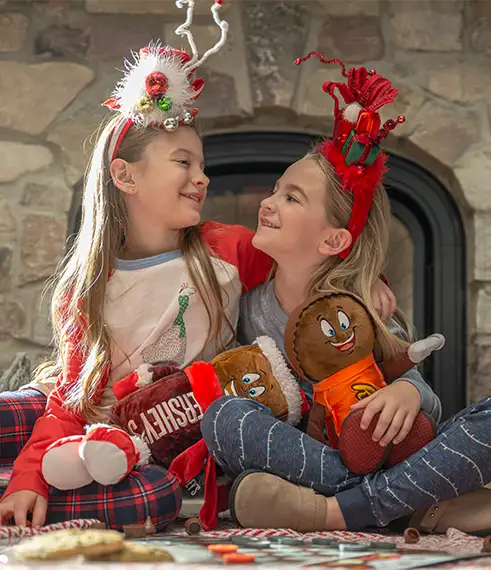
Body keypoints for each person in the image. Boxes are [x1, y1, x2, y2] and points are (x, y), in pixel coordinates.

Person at [0, 1, 274, 531]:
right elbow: (70, 400)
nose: (202, 177)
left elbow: (309, 254)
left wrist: (369, 284)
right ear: (125, 177)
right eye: (182, 163)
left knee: (150, 499)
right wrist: (31, 474)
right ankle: (19, 485)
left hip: (149, 444)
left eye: (202, 164)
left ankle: (19, 490)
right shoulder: (85, 288)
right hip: (72, 411)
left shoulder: (226, 250)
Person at [201, 54, 491, 535]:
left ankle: (340, 512)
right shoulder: (246, 306)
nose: (268, 203)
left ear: (333, 240)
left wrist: (404, 391)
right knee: (224, 418)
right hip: (313, 461)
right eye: (276, 190)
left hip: (380, 449)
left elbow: (425, 399)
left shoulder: (361, 309)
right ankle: (409, 502)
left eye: (291, 197)